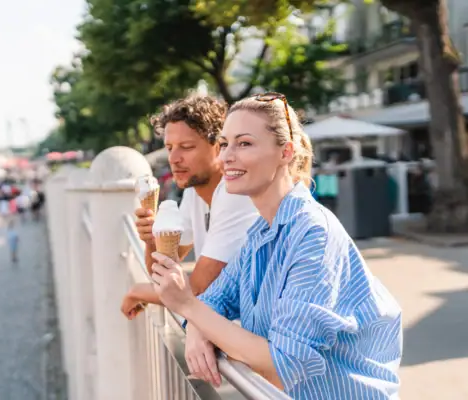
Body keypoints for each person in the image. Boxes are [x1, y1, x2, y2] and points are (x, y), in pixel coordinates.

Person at [149, 93, 402, 398]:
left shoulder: (313, 234)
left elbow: (284, 366)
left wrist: (187, 306)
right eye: (225, 143)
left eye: (244, 143)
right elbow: (214, 300)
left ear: (286, 152)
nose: (226, 157)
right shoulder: (261, 232)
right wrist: (197, 327)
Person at [121, 95, 259, 319]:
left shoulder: (236, 194)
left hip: (259, 341)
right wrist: (151, 239)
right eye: (169, 147)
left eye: (186, 147)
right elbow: (163, 276)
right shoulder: (194, 193)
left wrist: (139, 292)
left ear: (219, 147)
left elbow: (198, 290)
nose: (174, 158)